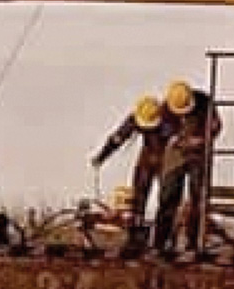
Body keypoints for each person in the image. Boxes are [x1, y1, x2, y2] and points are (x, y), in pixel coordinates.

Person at [90, 94, 171, 249]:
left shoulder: (169, 120)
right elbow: (118, 138)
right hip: (148, 155)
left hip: (167, 155)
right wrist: (101, 156)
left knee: (168, 199)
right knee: (138, 196)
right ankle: (137, 238)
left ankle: (163, 240)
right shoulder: (136, 118)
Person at [153, 79, 222, 252]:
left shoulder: (205, 102)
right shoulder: (165, 109)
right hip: (174, 155)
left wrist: (202, 139)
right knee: (167, 198)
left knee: (197, 199)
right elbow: (163, 133)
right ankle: (160, 243)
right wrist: (180, 141)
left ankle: (193, 244)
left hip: (199, 155)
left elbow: (216, 125)